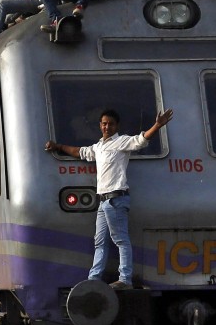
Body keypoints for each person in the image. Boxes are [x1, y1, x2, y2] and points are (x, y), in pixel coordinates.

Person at [45, 107, 173, 289]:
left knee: (121, 239)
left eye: (110, 124)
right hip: (103, 201)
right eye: (104, 124)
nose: (107, 127)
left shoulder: (121, 142)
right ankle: (94, 279)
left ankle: (125, 279)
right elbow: (79, 152)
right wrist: (58, 146)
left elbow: (141, 140)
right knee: (100, 242)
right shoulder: (98, 147)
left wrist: (157, 126)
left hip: (116, 199)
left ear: (116, 126)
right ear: (100, 125)